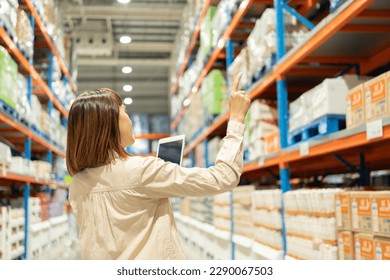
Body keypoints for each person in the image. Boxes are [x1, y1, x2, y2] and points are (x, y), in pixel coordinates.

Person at [66, 73, 251, 260]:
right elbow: (223, 177)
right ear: (111, 123)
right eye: (125, 111)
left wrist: (161, 174)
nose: (129, 119)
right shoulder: (142, 171)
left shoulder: (77, 185)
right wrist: (236, 119)